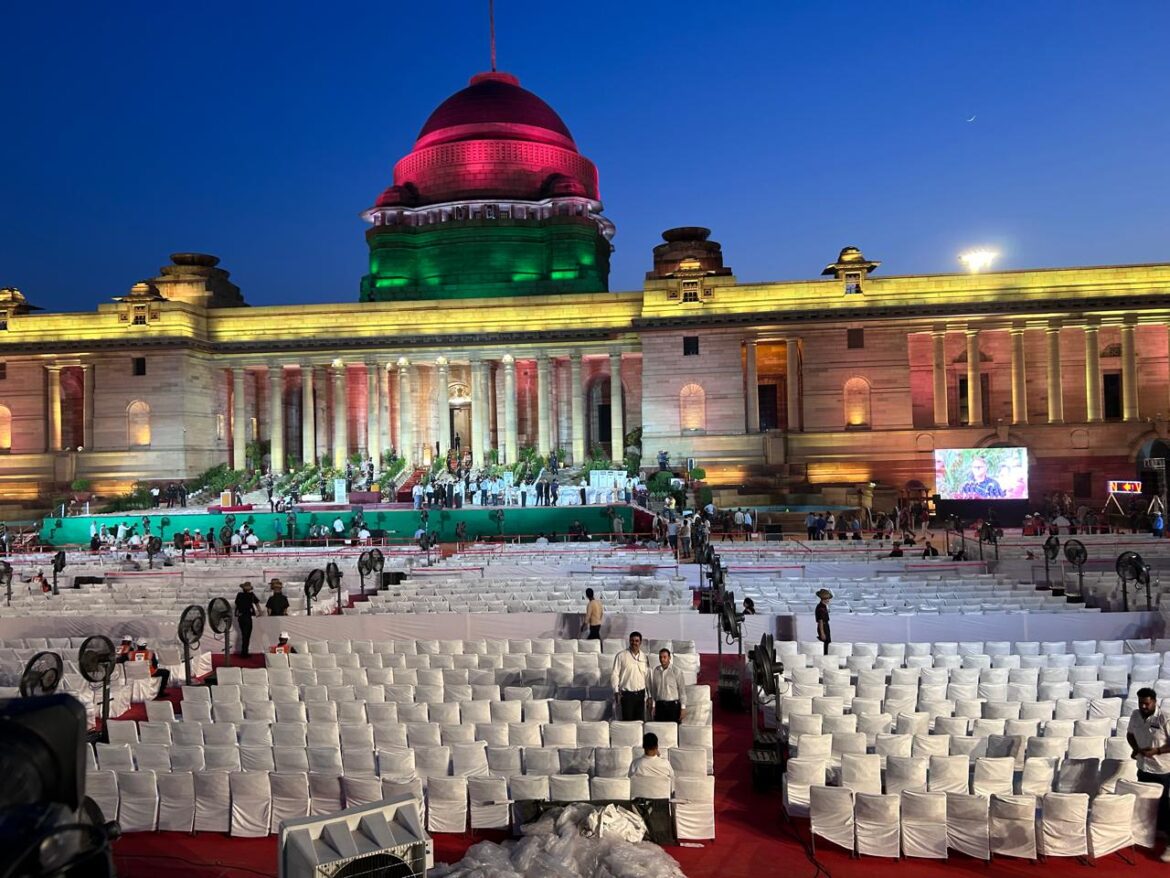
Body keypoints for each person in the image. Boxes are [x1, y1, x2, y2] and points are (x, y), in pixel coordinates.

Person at [1127, 687, 1170, 858]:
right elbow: (1130, 734)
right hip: (1143, 767)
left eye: (1146, 703)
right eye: (1140, 703)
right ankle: (1155, 832)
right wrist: (1135, 748)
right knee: (1146, 805)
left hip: (1162, 770)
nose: (1143, 706)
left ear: (1154, 702)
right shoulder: (1135, 715)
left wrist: (1157, 751)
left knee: (1164, 806)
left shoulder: (1164, 718)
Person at [611, 631, 650, 721]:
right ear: (629, 641)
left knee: (640, 723)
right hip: (627, 695)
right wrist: (616, 691)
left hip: (641, 695)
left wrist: (649, 696)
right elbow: (615, 674)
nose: (634, 643)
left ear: (640, 642)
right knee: (628, 723)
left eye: (636, 641)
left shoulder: (644, 657)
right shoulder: (621, 656)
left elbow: (647, 677)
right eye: (632, 640)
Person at [648, 648, 687, 723]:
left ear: (669, 658)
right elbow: (654, 690)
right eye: (660, 657)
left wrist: (683, 708)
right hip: (660, 705)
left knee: (673, 730)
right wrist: (653, 706)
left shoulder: (676, 671)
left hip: (673, 706)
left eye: (664, 657)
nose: (662, 659)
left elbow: (682, 691)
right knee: (660, 730)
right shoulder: (656, 670)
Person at [235, 581, 260, 658]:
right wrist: (259, 611)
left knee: (244, 635)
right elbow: (257, 603)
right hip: (247, 616)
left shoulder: (239, 595)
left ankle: (244, 651)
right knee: (246, 635)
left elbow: (237, 604)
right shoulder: (251, 595)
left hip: (241, 616)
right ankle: (244, 652)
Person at [815, 589, 832, 656]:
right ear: (823, 599)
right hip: (823, 627)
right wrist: (822, 633)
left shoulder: (823, 606)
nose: (828, 600)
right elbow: (820, 621)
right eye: (827, 599)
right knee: (825, 645)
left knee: (827, 644)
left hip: (825, 626)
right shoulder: (821, 608)